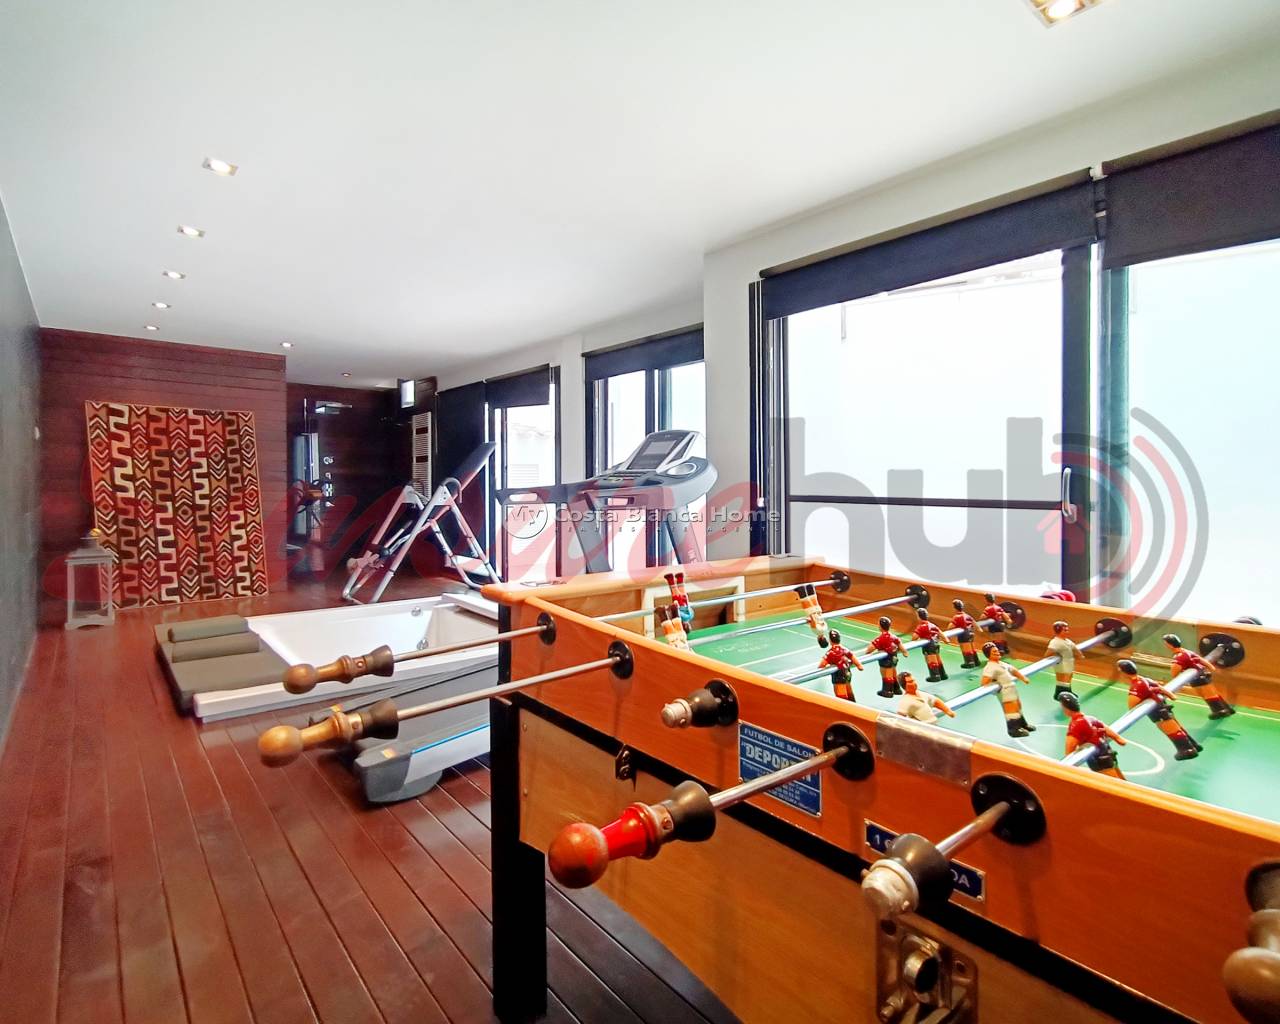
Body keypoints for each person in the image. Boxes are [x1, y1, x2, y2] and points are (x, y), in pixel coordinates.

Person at [1117, 659, 1201, 760]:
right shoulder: (1145, 679)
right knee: (1176, 727)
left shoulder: (1136, 687)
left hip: (1158, 712)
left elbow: (1132, 705)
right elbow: (1160, 688)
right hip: (1162, 707)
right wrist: (1171, 696)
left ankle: (1187, 750)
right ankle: (1193, 745)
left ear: (1123, 672)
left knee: (1172, 731)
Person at [1162, 634, 1235, 719]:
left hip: (1196, 678)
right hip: (1202, 674)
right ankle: (1226, 708)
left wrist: (1176, 679)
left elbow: (1175, 670)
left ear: (1170, 645)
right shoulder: (1186, 651)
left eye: (1166, 643)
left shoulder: (1179, 657)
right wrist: (1211, 668)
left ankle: (1219, 710)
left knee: (1207, 695)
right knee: (1212, 692)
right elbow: (1201, 660)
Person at [1059, 691, 1126, 779]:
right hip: (1108, 754)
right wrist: (1117, 738)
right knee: (1121, 782)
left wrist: (1069, 764)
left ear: (1065, 708)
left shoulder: (1075, 725)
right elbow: (1108, 730)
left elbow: (1069, 750)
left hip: (1099, 762)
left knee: (1114, 785)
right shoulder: (1090, 718)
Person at [981, 641, 1034, 737]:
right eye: (994, 652)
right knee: (1011, 709)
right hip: (1004, 691)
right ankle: (1013, 729)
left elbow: (1013, 670)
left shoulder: (1002, 663)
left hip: (1012, 688)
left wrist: (1023, 678)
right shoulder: (990, 667)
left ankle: (1023, 724)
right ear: (988, 655)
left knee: (1018, 706)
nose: (997, 653)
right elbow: (984, 683)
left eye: (997, 650)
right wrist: (995, 685)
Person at [866, 616, 909, 697]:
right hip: (894, 658)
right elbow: (900, 644)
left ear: (880, 626)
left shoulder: (880, 638)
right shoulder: (893, 637)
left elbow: (869, 649)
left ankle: (887, 691)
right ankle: (896, 689)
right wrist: (904, 652)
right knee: (893, 673)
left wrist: (868, 652)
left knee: (886, 675)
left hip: (886, 661)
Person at [817, 628, 864, 702]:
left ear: (830, 640)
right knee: (849, 691)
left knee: (841, 696)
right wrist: (859, 665)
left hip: (838, 676)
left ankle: (845, 707)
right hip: (847, 673)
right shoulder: (845, 649)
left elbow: (821, 666)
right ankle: (853, 705)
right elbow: (853, 658)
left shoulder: (830, 653)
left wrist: (828, 667)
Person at [912, 607, 952, 682]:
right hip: (936, 643)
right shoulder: (932, 625)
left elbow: (914, 637)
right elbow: (940, 632)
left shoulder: (921, 626)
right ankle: (942, 674)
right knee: (938, 659)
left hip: (929, 646)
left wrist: (917, 638)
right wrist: (946, 639)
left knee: (931, 660)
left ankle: (935, 676)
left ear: (919, 617)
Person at [1045, 620, 1081, 698]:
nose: (1067, 631)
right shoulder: (1055, 642)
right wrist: (1057, 655)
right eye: (1065, 630)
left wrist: (1080, 654)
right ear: (1059, 631)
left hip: (1069, 662)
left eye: (1067, 629)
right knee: (1063, 679)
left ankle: (1068, 692)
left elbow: (1074, 647)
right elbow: (1047, 654)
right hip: (1062, 664)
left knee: (1069, 677)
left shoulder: (1067, 640)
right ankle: (1060, 694)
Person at [949, 599, 981, 668]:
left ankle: (969, 662)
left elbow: (951, 626)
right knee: (972, 647)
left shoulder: (956, 617)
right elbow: (974, 623)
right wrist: (979, 629)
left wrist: (949, 629)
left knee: (965, 648)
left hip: (964, 635)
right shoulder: (967, 615)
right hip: (970, 633)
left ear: (955, 608)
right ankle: (976, 660)